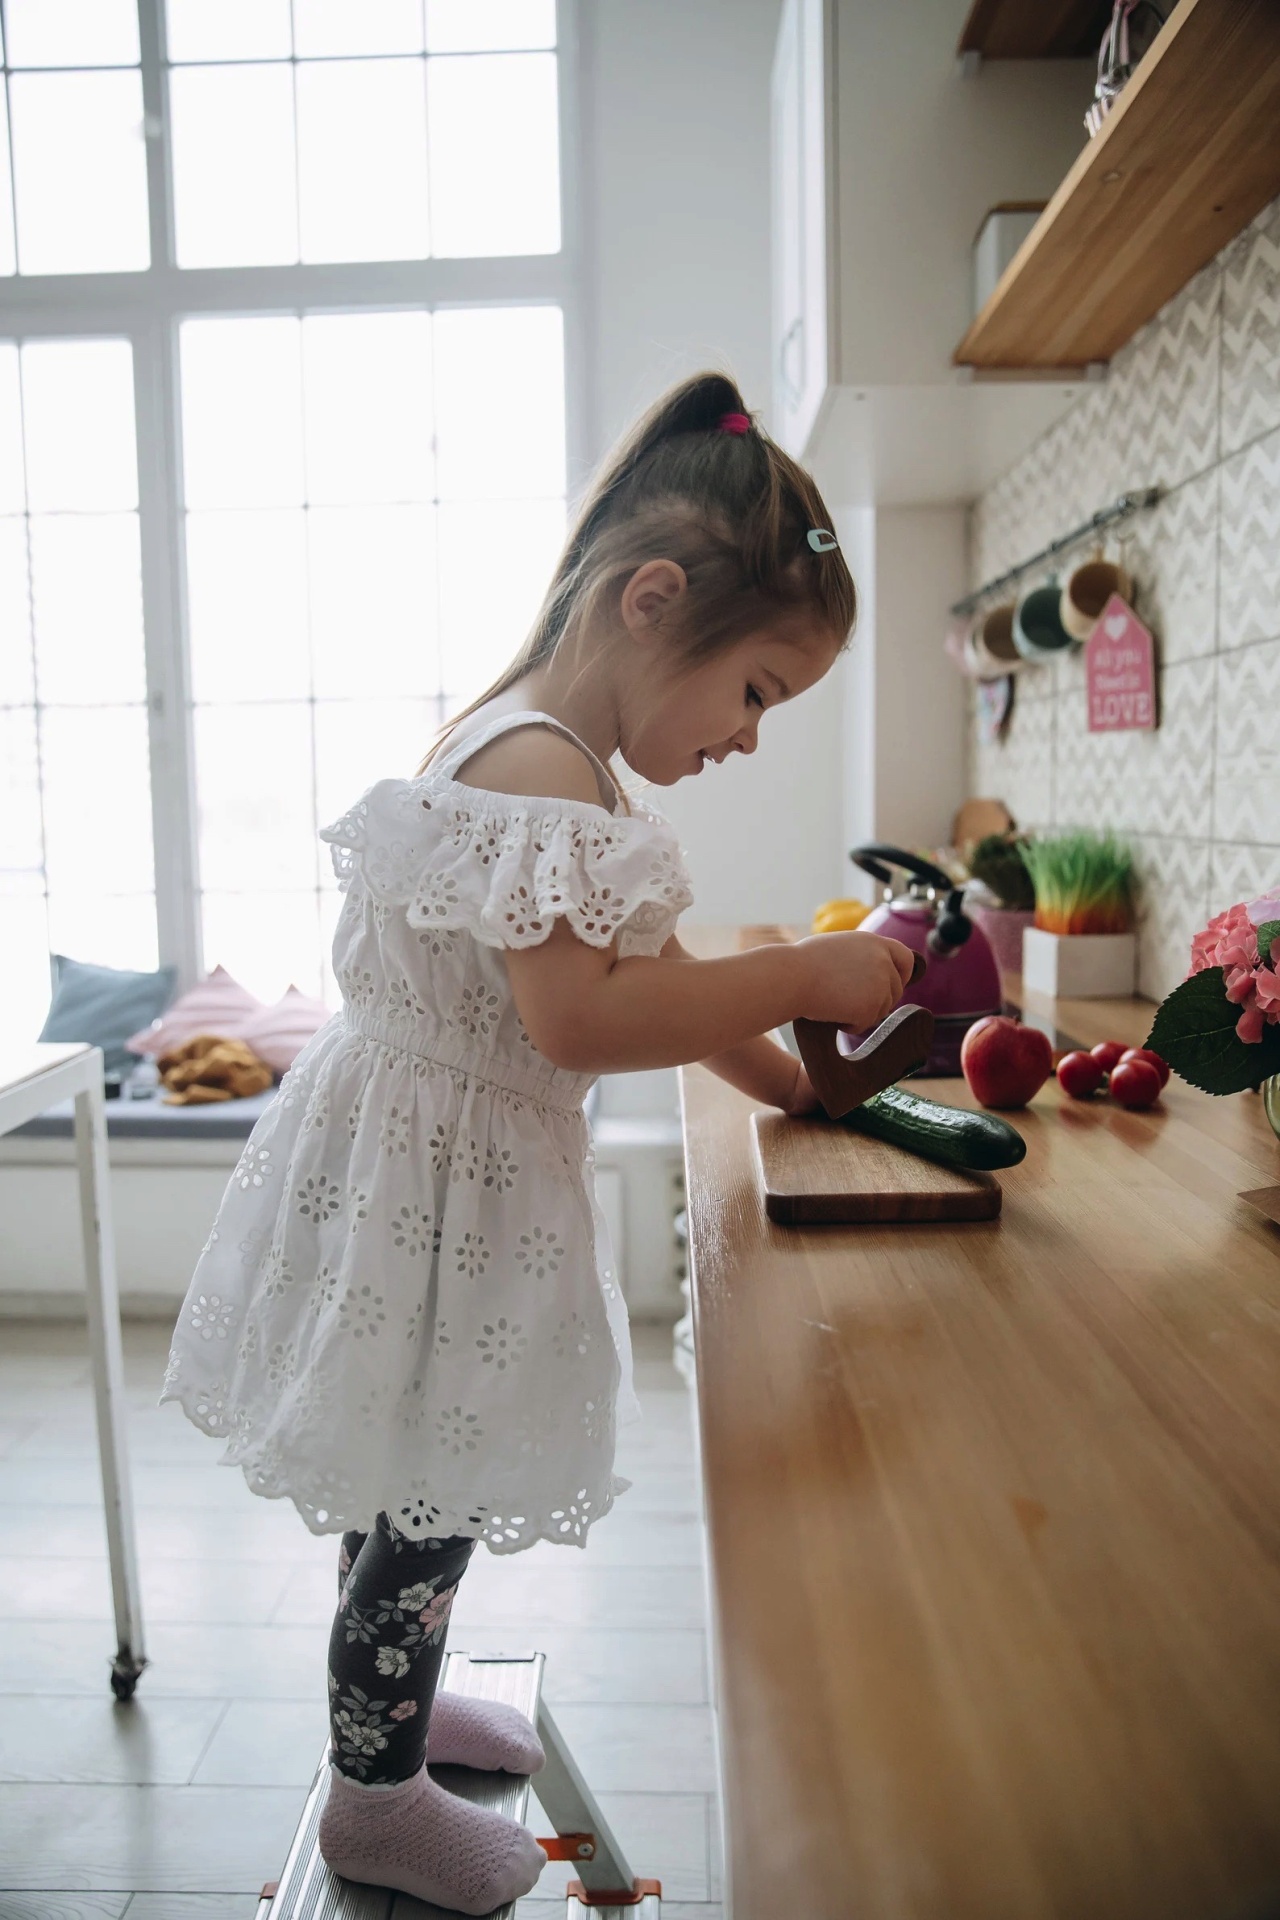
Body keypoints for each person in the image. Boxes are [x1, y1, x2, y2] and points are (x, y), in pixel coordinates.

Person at [160, 370, 914, 1913]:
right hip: (431, 1186)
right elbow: (583, 1020)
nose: (753, 738)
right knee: (425, 1512)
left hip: (416, 1174)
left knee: (413, 1482)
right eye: (761, 690)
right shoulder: (540, 772)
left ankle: (403, 1712)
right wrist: (814, 976)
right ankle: (374, 1803)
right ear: (654, 603)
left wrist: (796, 1084)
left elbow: (655, 982)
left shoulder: (544, 756)